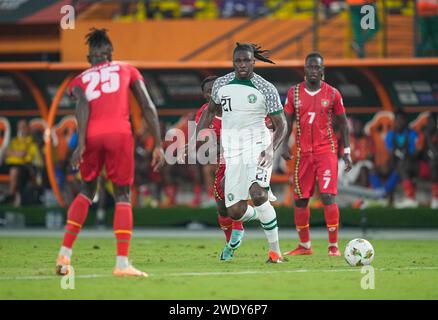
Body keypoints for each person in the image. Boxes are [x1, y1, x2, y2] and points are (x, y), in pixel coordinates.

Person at [55, 28, 165, 277]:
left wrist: (81, 143)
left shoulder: (80, 79)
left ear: (89, 58)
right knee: (123, 194)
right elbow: (147, 104)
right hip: (119, 134)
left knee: (86, 190)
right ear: (110, 54)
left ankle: (65, 253)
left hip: (91, 135)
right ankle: (122, 264)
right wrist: (158, 144)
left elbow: (82, 103)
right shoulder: (127, 69)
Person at [196, 43, 287, 263]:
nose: (243, 65)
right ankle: (260, 215)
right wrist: (195, 138)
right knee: (234, 211)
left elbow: (281, 124)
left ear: (253, 62)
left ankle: (275, 252)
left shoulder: (266, 88)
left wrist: (270, 148)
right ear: (233, 62)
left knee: (258, 194)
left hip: (258, 146)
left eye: (247, 60)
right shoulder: (221, 84)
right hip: (233, 151)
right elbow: (209, 112)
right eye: (238, 61)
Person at [281, 52, 352, 257]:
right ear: (305, 70)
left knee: (328, 196)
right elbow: (287, 120)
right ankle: (305, 246)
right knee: (300, 200)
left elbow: (343, 124)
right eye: (310, 67)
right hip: (303, 153)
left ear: (322, 71)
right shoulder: (294, 93)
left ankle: (333, 246)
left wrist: (346, 152)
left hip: (326, 151)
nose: (313, 70)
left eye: (317, 67)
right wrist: (284, 145)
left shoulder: (333, 94)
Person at [193, 75, 245, 260]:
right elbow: (206, 142)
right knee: (222, 208)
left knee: (230, 194)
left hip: (241, 157)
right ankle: (231, 244)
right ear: (205, 95)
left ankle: (239, 232)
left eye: (215, 88)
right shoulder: (203, 113)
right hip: (220, 160)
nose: (213, 93)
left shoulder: (236, 108)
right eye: (208, 91)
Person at [382, 109, 419, 208]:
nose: (398, 122)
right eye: (396, 120)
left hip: (411, 163)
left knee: (403, 167)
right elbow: (390, 153)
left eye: (401, 120)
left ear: (405, 120)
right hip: (396, 163)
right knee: (377, 170)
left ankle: (410, 198)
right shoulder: (390, 135)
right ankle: (382, 194)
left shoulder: (412, 134)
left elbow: (414, 153)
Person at [2, 119, 40, 207]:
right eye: (19, 127)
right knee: (13, 169)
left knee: (14, 170)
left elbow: (23, 155)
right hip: (9, 164)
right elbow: (4, 152)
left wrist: (11, 153)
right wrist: (16, 153)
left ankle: (11, 195)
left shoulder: (31, 141)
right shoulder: (14, 140)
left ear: (28, 128)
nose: (21, 129)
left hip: (24, 167)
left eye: (23, 127)